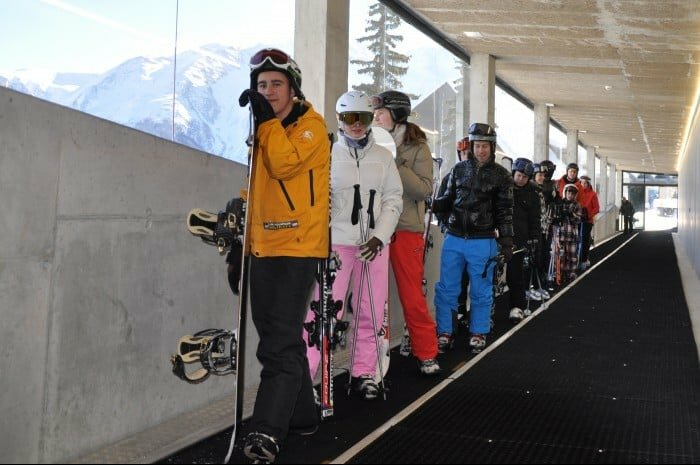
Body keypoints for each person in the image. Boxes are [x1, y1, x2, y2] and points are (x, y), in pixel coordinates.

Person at [237, 48, 331, 463]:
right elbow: (259, 189)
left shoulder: (311, 128)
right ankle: (302, 416)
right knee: (281, 339)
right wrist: (241, 245)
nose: (268, 91)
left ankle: (266, 430)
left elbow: (283, 165)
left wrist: (265, 123)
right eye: (261, 85)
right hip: (264, 246)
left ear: (293, 89)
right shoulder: (266, 130)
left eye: (277, 84)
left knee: (276, 345)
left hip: (297, 248)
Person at [303, 90, 403, 400]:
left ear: (371, 119)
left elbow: (393, 200)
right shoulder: (327, 154)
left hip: (373, 246)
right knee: (322, 312)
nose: (356, 125)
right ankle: (304, 377)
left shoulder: (383, 158)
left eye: (362, 118)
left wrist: (379, 237)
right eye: (349, 118)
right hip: (337, 246)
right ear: (339, 120)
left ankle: (363, 372)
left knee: (370, 310)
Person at [372, 90, 441, 375]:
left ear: (397, 114)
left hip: (404, 229)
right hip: (374, 229)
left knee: (412, 296)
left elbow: (424, 189)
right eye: (375, 113)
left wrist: (395, 160)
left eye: (381, 113)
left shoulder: (417, 148)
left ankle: (427, 353)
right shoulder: (369, 142)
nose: (376, 118)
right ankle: (372, 358)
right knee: (372, 298)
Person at [431, 123, 514, 352]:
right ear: (471, 146)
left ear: (492, 147)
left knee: (481, 289)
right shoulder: (458, 170)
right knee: (446, 288)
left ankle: (478, 331)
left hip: (483, 240)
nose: (480, 150)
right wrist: (437, 208)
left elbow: (505, 212)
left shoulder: (502, 176)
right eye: (477, 145)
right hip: (454, 239)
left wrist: (506, 241)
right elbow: (447, 200)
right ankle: (445, 331)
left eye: (485, 146)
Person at [507, 158, 541, 322]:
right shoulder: (503, 188)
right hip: (499, 237)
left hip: (520, 239)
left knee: (515, 274)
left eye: (525, 177)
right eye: (519, 175)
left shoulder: (533, 194)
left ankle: (517, 307)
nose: (521, 179)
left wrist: (534, 237)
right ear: (514, 173)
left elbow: (535, 218)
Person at [557, 184, 584, 282]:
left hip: (572, 235)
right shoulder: (560, 203)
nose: (570, 195)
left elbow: (578, 220)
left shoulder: (577, 205)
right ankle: (561, 273)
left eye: (572, 193)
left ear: (575, 195)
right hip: (561, 234)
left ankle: (571, 273)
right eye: (568, 192)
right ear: (565, 192)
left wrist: (571, 214)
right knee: (561, 255)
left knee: (571, 255)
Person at [576, 175, 600, 270]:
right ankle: (575, 260)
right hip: (577, 219)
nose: (583, 184)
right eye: (582, 183)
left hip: (587, 220)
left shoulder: (593, 194)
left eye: (585, 183)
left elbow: (596, 208)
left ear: (588, 184)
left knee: (584, 240)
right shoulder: (576, 192)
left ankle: (584, 260)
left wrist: (589, 215)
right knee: (576, 240)